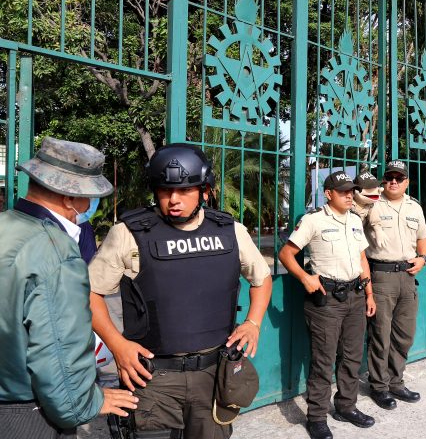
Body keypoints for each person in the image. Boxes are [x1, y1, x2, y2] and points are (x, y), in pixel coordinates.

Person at [88, 143, 273, 438]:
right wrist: (117, 346)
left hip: (213, 373)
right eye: (165, 190)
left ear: (205, 191)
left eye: (185, 190)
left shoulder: (230, 231)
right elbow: (91, 293)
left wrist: (253, 323)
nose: (174, 199)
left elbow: (262, 278)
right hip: (153, 376)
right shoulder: (128, 233)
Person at [0, 137, 137, 438]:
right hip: (27, 413)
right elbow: (57, 349)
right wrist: (85, 402)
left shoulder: (5, 225)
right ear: (70, 198)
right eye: (88, 196)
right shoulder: (57, 250)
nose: (89, 205)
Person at [278, 171, 377, 439]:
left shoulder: (355, 220)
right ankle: (317, 417)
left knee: (352, 356)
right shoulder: (313, 221)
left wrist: (369, 293)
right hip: (327, 300)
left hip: (356, 296)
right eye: (343, 191)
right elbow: (286, 254)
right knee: (323, 361)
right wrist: (304, 278)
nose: (349, 195)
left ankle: (346, 406)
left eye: (351, 191)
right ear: (328, 194)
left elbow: (362, 259)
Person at [365, 160, 426, 408]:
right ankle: (379, 386)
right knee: (381, 334)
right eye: (389, 177)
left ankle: (396, 381)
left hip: (408, 277)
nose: (394, 181)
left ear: (407, 182)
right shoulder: (371, 204)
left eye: (399, 178)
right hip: (381, 276)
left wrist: (422, 258)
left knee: (404, 334)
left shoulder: (414, 207)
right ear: (384, 180)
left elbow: (423, 237)